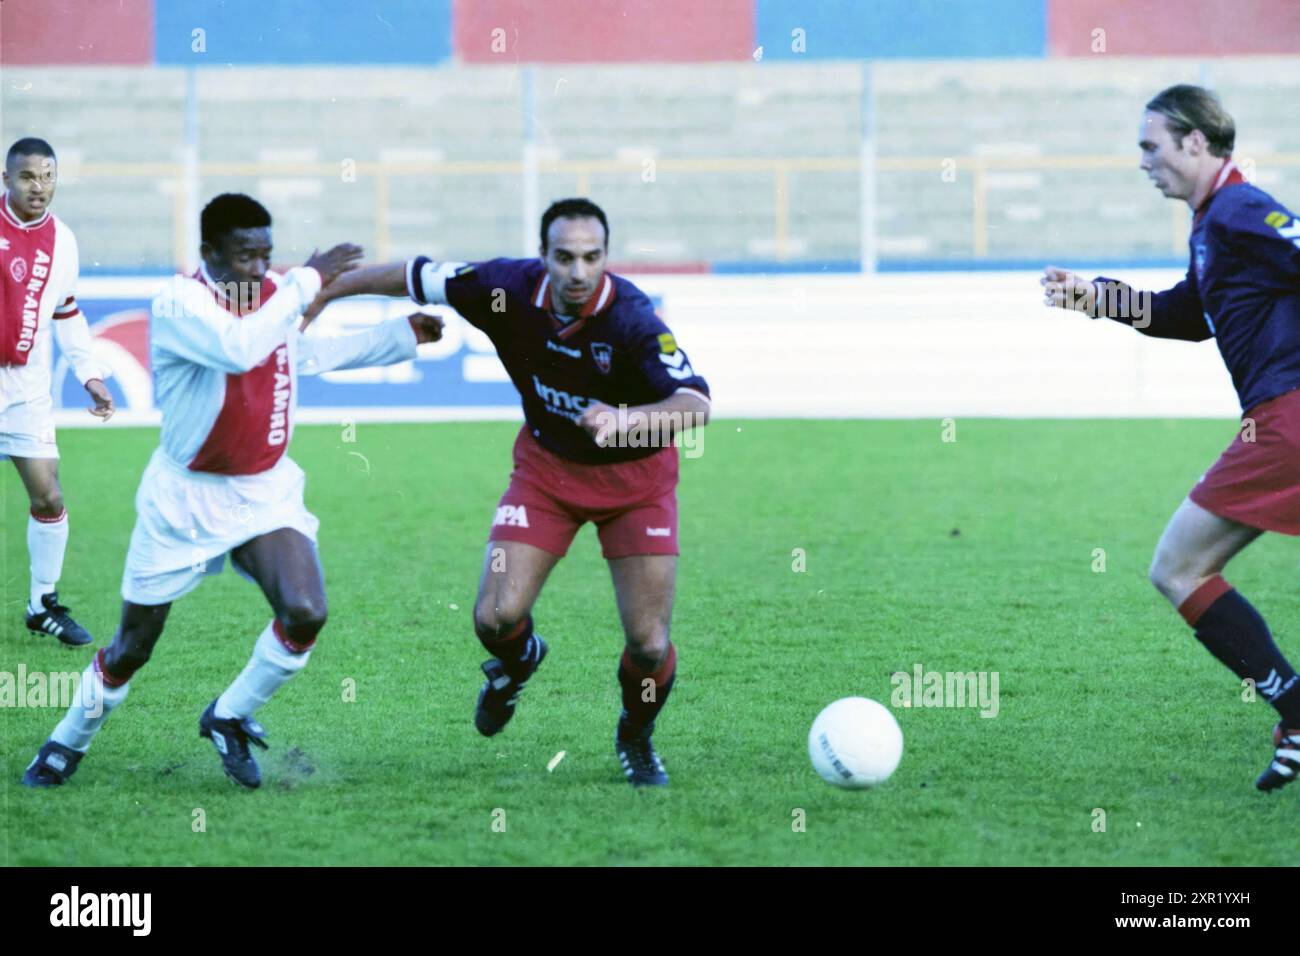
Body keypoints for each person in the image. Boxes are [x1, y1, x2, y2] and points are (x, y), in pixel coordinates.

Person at [22, 192, 443, 789]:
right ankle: (67, 742)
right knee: (132, 648)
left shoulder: (275, 295)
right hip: (183, 502)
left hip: (263, 493)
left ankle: (228, 715)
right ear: (208, 253)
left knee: (305, 611)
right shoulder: (178, 303)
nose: (257, 268)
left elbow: (301, 353)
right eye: (244, 256)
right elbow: (239, 349)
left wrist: (398, 336)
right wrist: (307, 281)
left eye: (265, 254)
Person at [311, 198, 711, 787]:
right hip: (547, 472)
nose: (579, 272)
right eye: (566, 257)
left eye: (592, 257)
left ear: (606, 256)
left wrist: (627, 421)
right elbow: (411, 275)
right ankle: (520, 661)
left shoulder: (632, 319)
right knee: (495, 618)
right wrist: (323, 292)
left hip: (637, 485)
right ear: (544, 255)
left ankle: (636, 735)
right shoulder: (502, 288)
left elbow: (696, 405)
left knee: (649, 645)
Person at [1043, 85, 1300, 790]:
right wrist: (1097, 297)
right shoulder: (1214, 221)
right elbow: (1186, 314)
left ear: (1195, 142)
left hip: (1286, 421)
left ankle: (1297, 708)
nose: (1143, 161)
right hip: (1281, 418)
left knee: (1178, 567)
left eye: (1150, 146)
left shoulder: (1243, 210)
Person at [1, 137, 115, 646]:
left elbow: (67, 311)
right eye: (28, 176)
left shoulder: (63, 240)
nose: (39, 187)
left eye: (48, 176)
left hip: (25, 390)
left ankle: (41, 603)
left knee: (49, 495)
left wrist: (89, 373)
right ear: (7, 179)